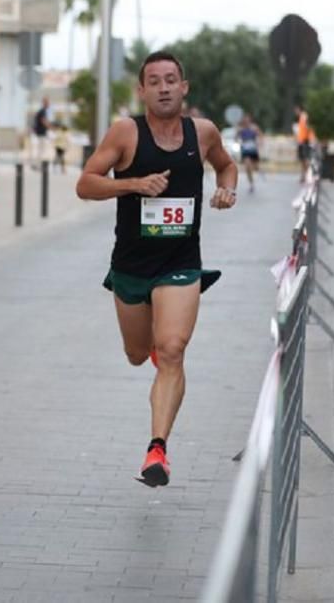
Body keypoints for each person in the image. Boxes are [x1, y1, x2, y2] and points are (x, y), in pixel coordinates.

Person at [75, 51, 238, 487]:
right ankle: (151, 347)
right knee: (136, 353)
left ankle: (157, 451)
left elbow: (226, 164)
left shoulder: (202, 133)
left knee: (172, 350)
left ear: (184, 87)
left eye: (171, 80)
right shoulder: (126, 133)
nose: (164, 87)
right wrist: (132, 184)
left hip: (181, 265)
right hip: (130, 266)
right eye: (155, 80)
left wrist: (227, 190)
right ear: (142, 90)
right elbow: (85, 183)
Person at [237, 113, 262, 193]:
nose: (246, 121)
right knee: (248, 166)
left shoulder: (254, 127)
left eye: (248, 119)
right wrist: (239, 141)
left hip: (253, 149)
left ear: (250, 120)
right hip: (245, 150)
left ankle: (255, 171)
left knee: (255, 167)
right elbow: (236, 137)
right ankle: (251, 184)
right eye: (245, 119)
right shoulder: (241, 129)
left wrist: (259, 143)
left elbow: (260, 136)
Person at [31, 97, 52, 169]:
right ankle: (38, 165)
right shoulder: (43, 111)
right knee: (41, 150)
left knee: (40, 150)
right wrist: (50, 127)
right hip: (41, 133)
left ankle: (36, 164)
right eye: (48, 103)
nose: (49, 104)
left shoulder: (41, 111)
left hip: (39, 133)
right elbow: (43, 121)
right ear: (44, 103)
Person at [294, 104, 313, 181]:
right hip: (302, 141)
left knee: (305, 159)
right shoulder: (301, 117)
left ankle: (308, 174)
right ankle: (303, 175)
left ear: (299, 109)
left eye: (296, 110)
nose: (295, 111)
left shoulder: (304, 117)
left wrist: (308, 139)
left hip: (304, 141)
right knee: (302, 160)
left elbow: (308, 127)